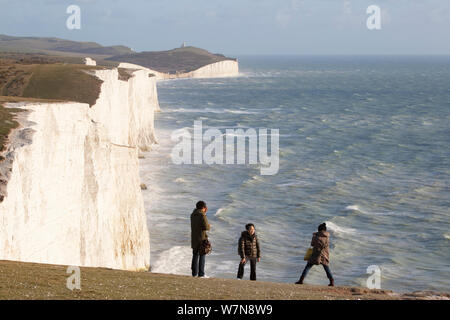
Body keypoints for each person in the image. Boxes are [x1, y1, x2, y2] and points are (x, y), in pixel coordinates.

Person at [190, 200, 210, 277]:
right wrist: (209, 225)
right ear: (204, 208)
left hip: (194, 237)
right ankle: (201, 274)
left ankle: (194, 273)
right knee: (202, 255)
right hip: (202, 238)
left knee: (195, 255)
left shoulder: (192, 214)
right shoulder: (202, 215)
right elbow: (206, 227)